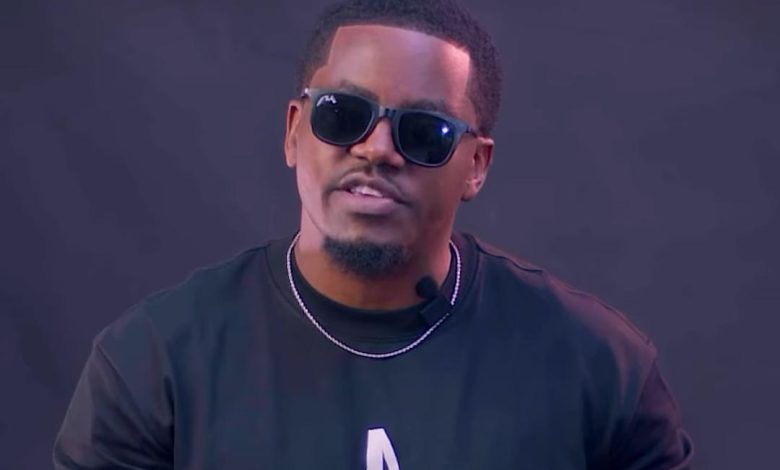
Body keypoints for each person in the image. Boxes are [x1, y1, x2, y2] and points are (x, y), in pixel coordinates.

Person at [53, 0, 694, 468]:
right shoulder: (154, 365)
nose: (376, 149)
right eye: (343, 114)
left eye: (424, 131)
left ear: (476, 166)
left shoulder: (598, 369)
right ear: (294, 131)